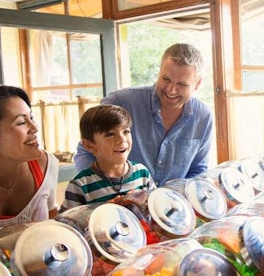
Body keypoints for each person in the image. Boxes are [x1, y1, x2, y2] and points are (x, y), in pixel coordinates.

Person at [73, 43, 213, 186]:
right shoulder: (121, 102)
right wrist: (101, 190)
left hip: (172, 205)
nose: (171, 90)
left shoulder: (203, 116)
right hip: (119, 204)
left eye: (182, 85)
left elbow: (197, 170)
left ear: (197, 84)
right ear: (159, 72)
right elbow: (86, 152)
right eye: (166, 79)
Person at [0, 82, 59, 245]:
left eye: (31, 117)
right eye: (21, 122)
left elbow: (52, 214)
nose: (34, 128)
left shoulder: (46, 165)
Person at [60, 104, 155, 210]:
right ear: (89, 145)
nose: (122, 139)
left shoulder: (142, 173)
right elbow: (67, 223)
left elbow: (155, 209)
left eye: (126, 131)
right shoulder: (80, 185)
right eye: (110, 134)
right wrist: (102, 212)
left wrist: (144, 203)